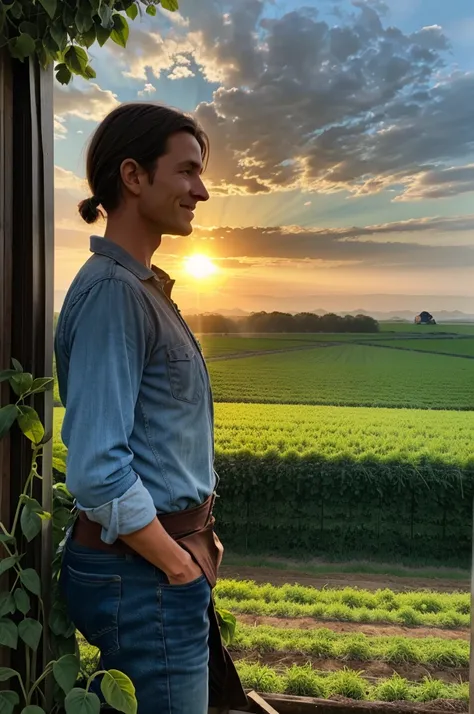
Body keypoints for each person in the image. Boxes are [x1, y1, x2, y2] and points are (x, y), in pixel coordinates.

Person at [55, 103, 247, 714]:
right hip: (144, 576)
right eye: (187, 171)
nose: (203, 190)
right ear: (134, 177)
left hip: (146, 570)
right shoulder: (116, 294)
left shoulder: (135, 287)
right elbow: (97, 469)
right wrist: (176, 564)